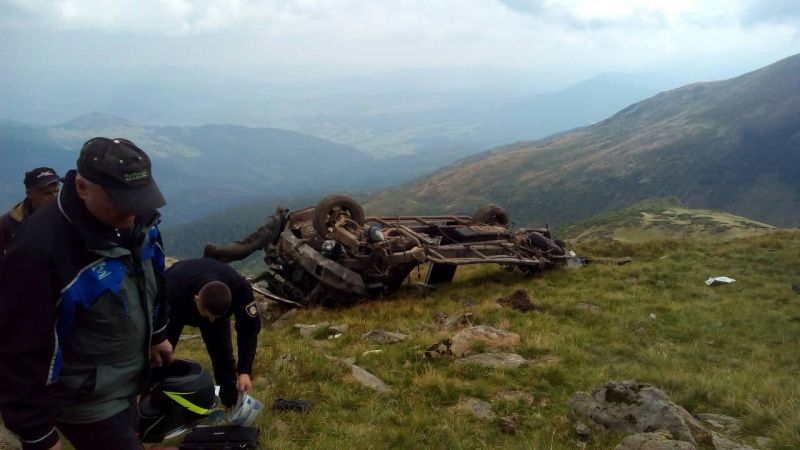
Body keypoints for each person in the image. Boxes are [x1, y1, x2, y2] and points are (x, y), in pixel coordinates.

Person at [0, 138, 174, 450]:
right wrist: (37, 432)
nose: (133, 209)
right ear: (82, 187)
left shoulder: (139, 220)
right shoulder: (41, 251)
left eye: (140, 197)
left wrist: (158, 331)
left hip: (127, 379)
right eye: (121, 199)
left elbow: (153, 276)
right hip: (84, 399)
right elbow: (20, 345)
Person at [165, 258, 261, 408]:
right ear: (196, 299)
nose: (211, 321)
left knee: (223, 353)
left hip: (214, 303)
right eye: (209, 315)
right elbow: (155, 321)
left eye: (216, 317)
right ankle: (154, 397)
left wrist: (244, 371)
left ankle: (231, 401)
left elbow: (249, 330)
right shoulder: (172, 286)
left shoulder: (240, 289)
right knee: (162, 354)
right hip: (177, 306)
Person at [0, 167, 62, 256]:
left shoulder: (69, 216)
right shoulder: (7, 225)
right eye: (47, 193)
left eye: (57, 191)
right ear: (29, 193)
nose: (54, 197)